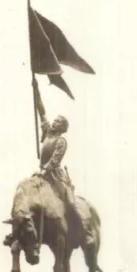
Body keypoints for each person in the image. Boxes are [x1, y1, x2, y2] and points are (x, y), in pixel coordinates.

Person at [33, 78, 95, 248]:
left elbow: (55, 160)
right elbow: (41, 111)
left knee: (70, 202)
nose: (54, 122)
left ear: (62, 128)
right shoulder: (47, 132)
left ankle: (86, 231)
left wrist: (44, 170)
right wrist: (36, 90)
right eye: (55, 120)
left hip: (54, 176)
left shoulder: (61, 141)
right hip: (41, 174)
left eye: (58, 122)